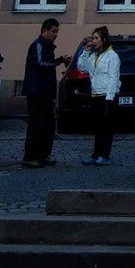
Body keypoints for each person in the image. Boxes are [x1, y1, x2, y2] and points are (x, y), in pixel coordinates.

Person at [20, 17, 69, 168]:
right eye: (54, 31)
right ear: (45, 31)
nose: (56, 34)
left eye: (57, 31)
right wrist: (59, 60)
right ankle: (30, 157)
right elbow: (40, 64)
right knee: (36, 124)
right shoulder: (38, 45)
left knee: (48, 125)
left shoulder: (47, 46)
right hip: (36, 91)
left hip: (46, 91)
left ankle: (43, 155)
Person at [78, 26, 120, 166]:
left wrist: (110, 98)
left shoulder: (112, 55)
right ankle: (96, 154)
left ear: (104, 40)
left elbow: (114, 77)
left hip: (106, 95)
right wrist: (85, 51)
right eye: (93, 38)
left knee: (106, 126)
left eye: (96, 38)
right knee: (97, 126)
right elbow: (81, 67)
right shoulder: (94, 55)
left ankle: (104, 155)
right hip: (96, 94)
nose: (94, 41)